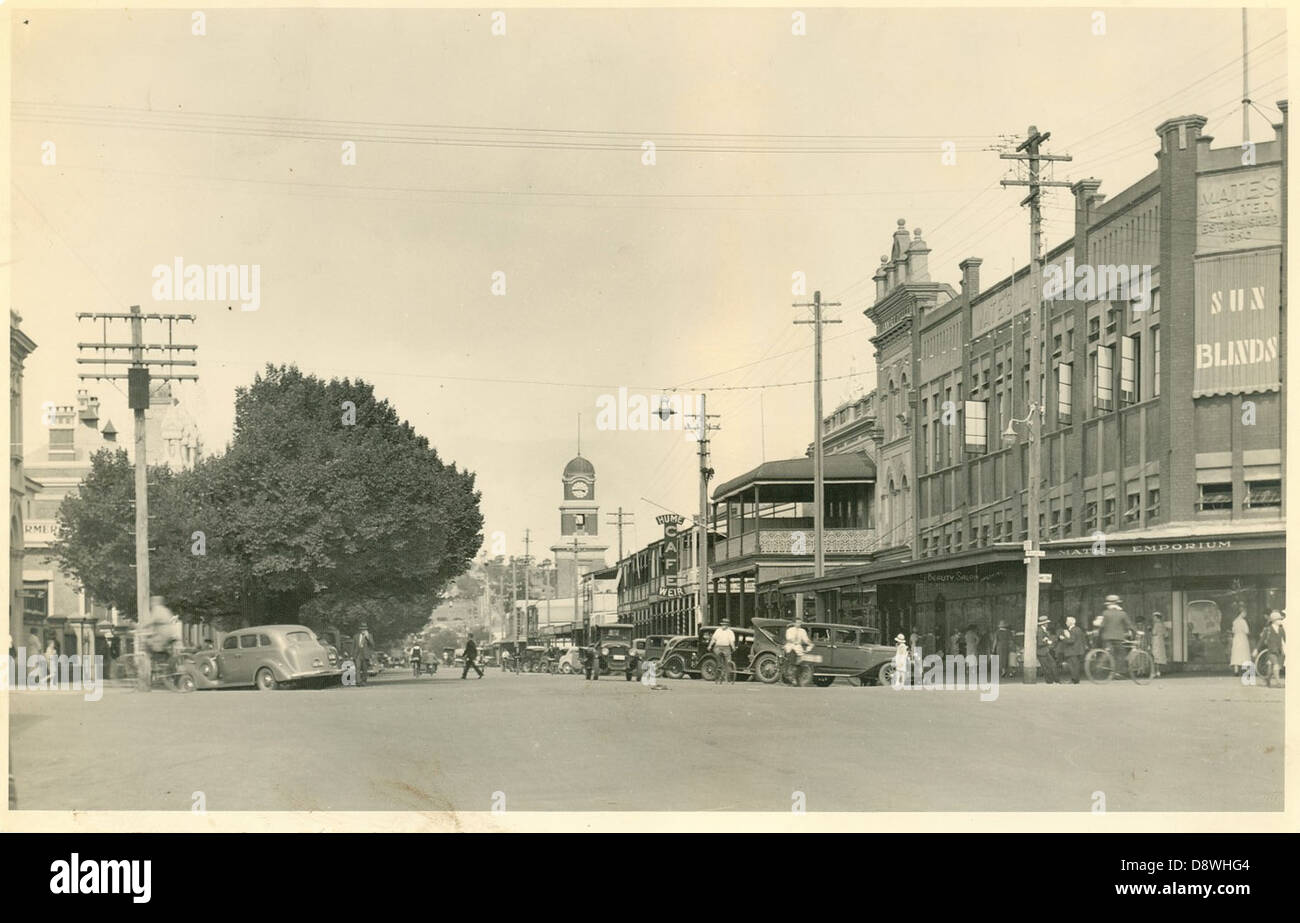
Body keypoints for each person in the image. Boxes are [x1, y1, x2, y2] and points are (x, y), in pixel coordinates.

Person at [1098, 595, 1134, 671]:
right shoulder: (1122, 613)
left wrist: (1099, 633)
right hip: (1118, 637)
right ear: (1117, 604)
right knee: (1121, 653)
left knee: (1108, 650)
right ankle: (1118, 671)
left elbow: (1102, 625)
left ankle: (1101, 663)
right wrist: (1136, 631)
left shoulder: (1105, 613)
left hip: (1107, 636)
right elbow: (1129, 625)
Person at [1253, 610, 1286, 678]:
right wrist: (1256, 649)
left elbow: (1285, 639)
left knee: (1272, 665)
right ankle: (1278, 682)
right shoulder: (1268, 630)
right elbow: (1261, 640)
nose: (1281, 621)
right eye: (1279, 619)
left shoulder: (1281, 629)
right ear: (1274, 620)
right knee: (1276, 665)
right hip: (1271, 651)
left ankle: (1267, 680)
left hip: (1279, 651)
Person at [1058, 615, 1087, 684]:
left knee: (1073, 666)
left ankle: (1074, 679)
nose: (1066, 623)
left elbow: (1071, 641)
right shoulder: (1078, 629)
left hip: (1072, 651)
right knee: (1075, 665)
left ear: (1070, 622)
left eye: (1067, 621)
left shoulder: (1072, 630)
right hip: (1077, 650)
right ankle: (1075, 679)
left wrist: (1063, 638)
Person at [783, 617, 813, 684]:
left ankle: (797, 677)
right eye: (797, 622)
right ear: (794, 623)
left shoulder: (802, 631)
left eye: (800, 623)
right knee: (792, 659)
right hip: (791, 646)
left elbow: (806, 639)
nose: (798, 624)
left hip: (798, 647)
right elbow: (788, 638)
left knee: (801, 661)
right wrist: (793, 641)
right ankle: (791, 676)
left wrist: (810, 643)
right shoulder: (790, 630)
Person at [708, 619, 737, 685]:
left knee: (728, 661)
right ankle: (719, 670)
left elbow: (731, 641)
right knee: (719, 661)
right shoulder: (718, 630)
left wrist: (733, 647)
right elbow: (713, 639)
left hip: (726, 647)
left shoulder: (730, 632)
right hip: (718, 647)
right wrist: (710, 646)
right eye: (722, 624)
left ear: (727, 625)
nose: (723, 626)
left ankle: (728, 676)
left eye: (725, 625)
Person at [1035, 614, 1059, 684]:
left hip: (1044, 651)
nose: (1047, 624)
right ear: (1044, 624)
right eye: (1046, 623)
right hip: (1041, 652)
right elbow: (1040, 643)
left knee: (1051, 665)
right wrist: (1048, 642)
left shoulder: (1042, 630)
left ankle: (1053, 680)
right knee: (1047, 667)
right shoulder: (1040, 631)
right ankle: (1050, 681)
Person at [1230, 604, 1252, 676]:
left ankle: (1236, 671)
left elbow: (1233, 631)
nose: (1245, 614)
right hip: (1242, 638)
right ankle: (1245, 670)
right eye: (1244, 613)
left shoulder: (1235, 621)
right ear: (1241, 613)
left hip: (1236, 638)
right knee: (1244, 653)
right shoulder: (1243, 621)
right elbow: (1246, 631)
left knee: (1236, 654)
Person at [1150, 611, 1168, 678]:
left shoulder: (1156, 624)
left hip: (1156, 641)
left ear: (1157, 617)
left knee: (1155, 655)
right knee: (1160, 655)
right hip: (1161, 641)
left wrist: (1150, 630)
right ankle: (1158, 671)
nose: (1153, 618)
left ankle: (1155, 672)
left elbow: (1154, 632)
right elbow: (1166, 635)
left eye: (1154, 617)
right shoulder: (1162, 624)